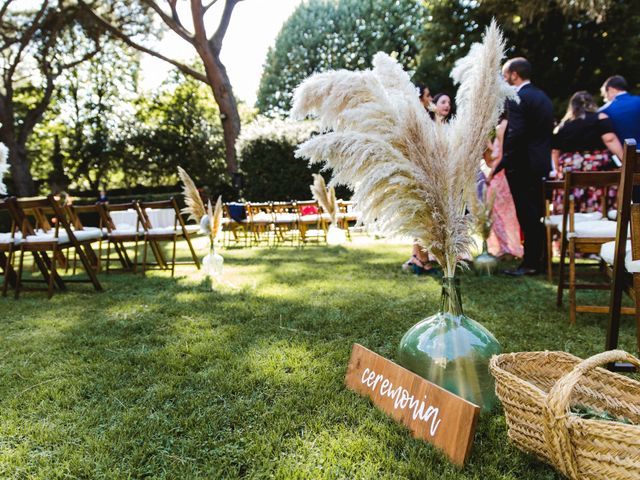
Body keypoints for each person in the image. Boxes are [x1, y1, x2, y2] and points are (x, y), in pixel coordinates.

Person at [489, 57, 554, 276]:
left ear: (514, 74)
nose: (504, 79)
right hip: (540, 165)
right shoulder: (543, 97)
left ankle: (530, 264)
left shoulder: (517, 97)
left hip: (522, 166)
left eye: (505, 74)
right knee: (537, 215)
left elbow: (516, 134)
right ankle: (542, 260)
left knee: (527, 215)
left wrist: (502, 164)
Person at [551, 91, 623, 214]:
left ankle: (573, 218)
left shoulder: (563, 126)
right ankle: (602, 213)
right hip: (596, 165)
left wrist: (557, 169)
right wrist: (624, 158)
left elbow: (555, 151)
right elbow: (609, 139)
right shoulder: (600, 118)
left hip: (571, 166)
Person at [484, 117, 524, 259]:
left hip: (499, 175)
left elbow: (500, 155)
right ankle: (506, 246)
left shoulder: (502, 127)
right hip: (503, 173)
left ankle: (507, 247)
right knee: (503, 212)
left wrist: (491, 174)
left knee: (497, 212)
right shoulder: (509, 124)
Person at [599, 75, 640, 145]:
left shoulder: (604, 110)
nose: (606, 98)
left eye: (605, 94)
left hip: (623, 154)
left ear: (611, 89)